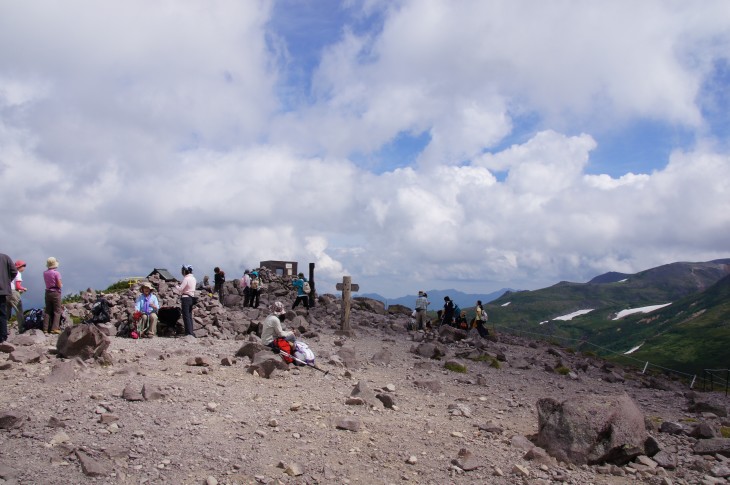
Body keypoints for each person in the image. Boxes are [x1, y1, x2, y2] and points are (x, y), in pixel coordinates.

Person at [0, 253, 18, 343]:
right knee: (2, 313)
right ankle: (3, 337)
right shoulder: (5, 257)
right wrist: (7, 281)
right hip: (2, 290)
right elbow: (14, 271)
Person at [43, 257, 63, 334]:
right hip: (55, 292)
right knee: (57, 310)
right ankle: (54, 328)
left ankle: (45, 328)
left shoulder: (45, 273)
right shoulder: (56, 273)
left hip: (47, 291)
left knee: (47, 310)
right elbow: (59, 284)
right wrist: (61, 285)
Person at [176, 264, 197, 336]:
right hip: (191, 298)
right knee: (189, 315)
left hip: (185, 297)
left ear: (185, 271)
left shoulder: (186, 279)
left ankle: (188, 333)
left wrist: (176, 286)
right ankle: (191, 332)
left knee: (186, 316)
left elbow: (181, 289)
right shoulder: (193, 278)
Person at [8, 260, 27, 333]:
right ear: (19, 267)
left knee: (6, 312)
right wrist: (24, 288)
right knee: (19, 311)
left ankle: (3, 329)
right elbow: (18, 286)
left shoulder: (9, 273)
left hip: (6, 292)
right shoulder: (18, 273)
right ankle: (22, 328)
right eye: (23, 266)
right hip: (13, 293)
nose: (24, 268)